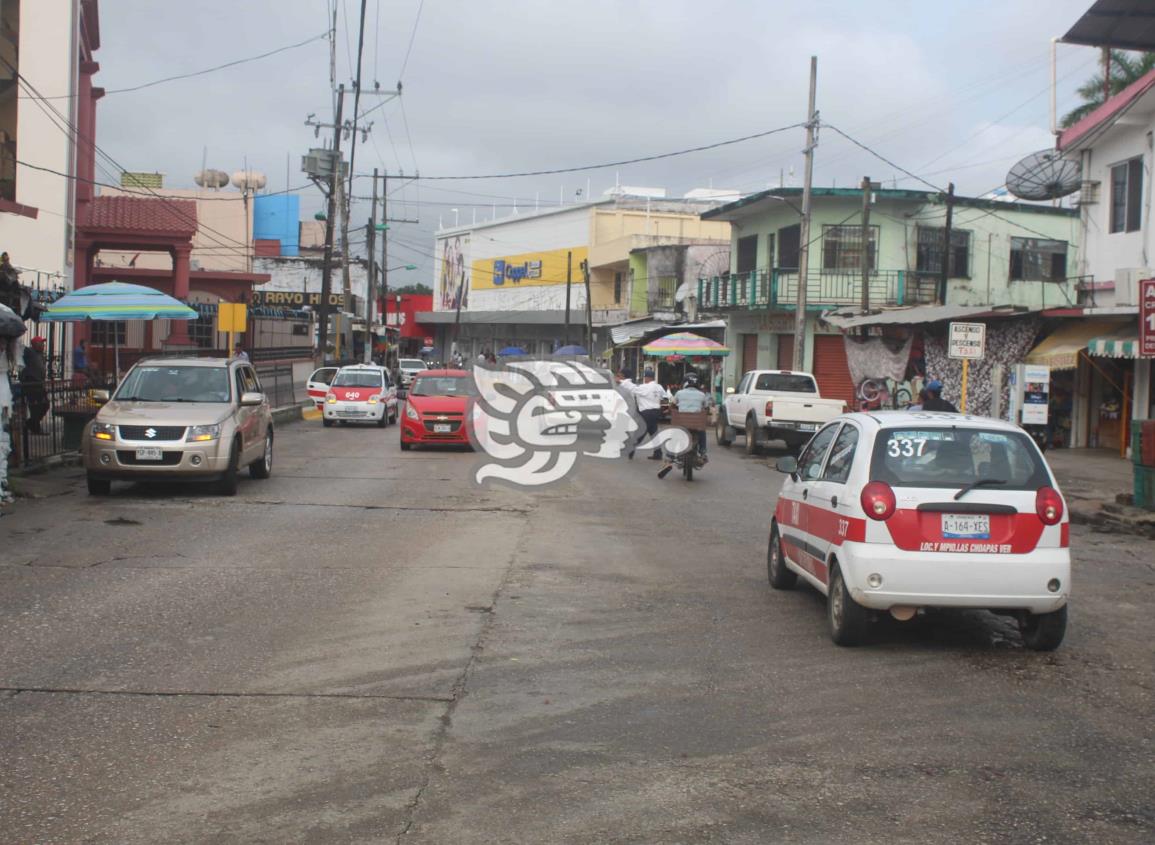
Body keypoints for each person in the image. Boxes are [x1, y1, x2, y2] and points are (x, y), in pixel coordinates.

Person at [658, 374, 710, 479]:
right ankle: (703, 452)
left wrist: (669, 409)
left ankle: (669, 458)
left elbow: (672, 404)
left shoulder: (679, 393)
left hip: (681, 423)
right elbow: (706, 407)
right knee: (702, 432)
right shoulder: (702, 395)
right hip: (697, 424)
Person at [632, 369, 670, 460]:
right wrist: (664, 409)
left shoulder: (644, 387)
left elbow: (632, 390)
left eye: (645, 377)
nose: (644, 379)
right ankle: (658, 453)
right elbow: (665, 398)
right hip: (656, 412)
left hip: (646, 413)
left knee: (641, 432)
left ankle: (630, 449)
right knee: (653, 432)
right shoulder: (659, 387)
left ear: (648, 378)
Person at [19, 336, 49, 434]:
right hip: (31, 384)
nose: (43, 345)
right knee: (36, 407)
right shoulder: (30, 352)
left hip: (39, 384)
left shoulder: (40, 354)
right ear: (35, 345)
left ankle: (30, 423)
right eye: (41, 343)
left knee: (45, 405)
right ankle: (35, 428)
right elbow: (22, 349)